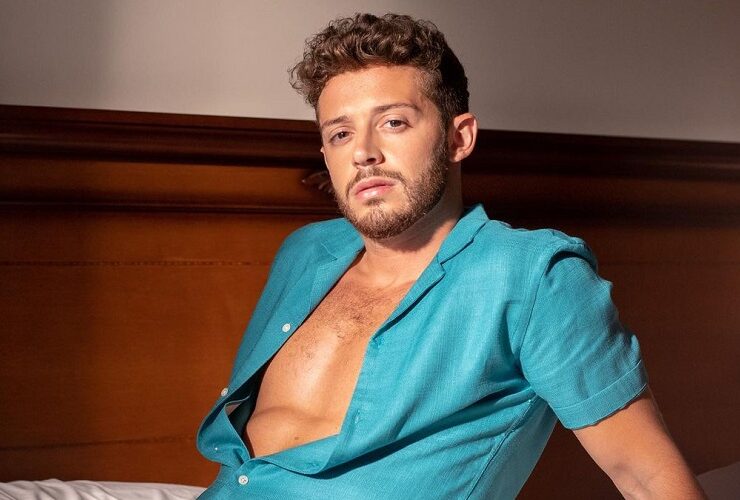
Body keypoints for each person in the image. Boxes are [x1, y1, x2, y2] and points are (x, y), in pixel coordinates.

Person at [197, 13, 705, 499]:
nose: (363, 152)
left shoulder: (534, 278)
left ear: (459, 138)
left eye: (393, 122)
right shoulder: (306, 252)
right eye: (340, 133)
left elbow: (648, 477)